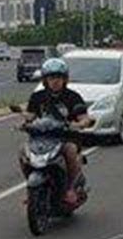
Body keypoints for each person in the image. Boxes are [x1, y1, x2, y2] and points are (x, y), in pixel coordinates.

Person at [19, 57, 92, 207]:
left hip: (66, 138)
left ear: (65, 79)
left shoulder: (73, 97)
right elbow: (31, 116)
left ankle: (70, 189)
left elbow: (84, 118)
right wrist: (23, 123)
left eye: (59, 77)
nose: (55, 81)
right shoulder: (38, 96)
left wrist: (80, 124)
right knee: (22, 152)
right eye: (51, 77)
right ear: (45, 80)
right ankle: (31, 189)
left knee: (70, 151)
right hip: (42, 138)